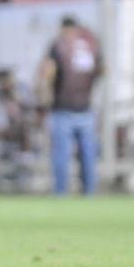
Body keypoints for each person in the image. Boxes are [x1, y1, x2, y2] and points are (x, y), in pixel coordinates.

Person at [38, 16, 103, 195]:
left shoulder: (58, 46)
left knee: (61, 157)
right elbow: (103, 70)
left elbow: (47, 72)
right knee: (88, 157)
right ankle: (89, 194)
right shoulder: (92, 44)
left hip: (62, 109)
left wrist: (44, 94)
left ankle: (61, 195)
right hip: (85, 108)